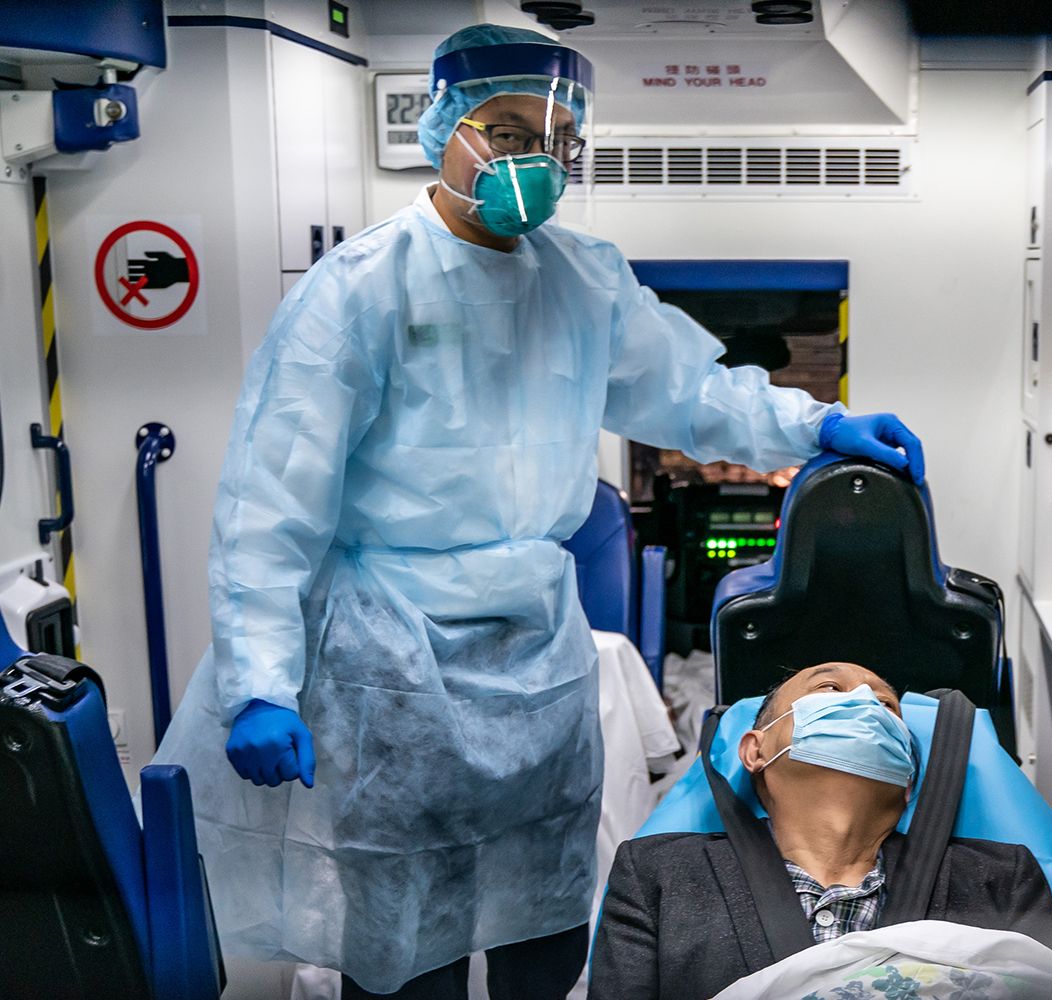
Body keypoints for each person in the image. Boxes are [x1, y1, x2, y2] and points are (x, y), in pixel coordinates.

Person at [149, 23, 925, 1000]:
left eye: (554, 138)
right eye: (506, 129)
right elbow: (272, 497)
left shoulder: (583, 278)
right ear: (444, 126)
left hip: (537, 659)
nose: (534, 159)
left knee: (548, 930)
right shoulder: (359, 289)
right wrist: (263, 677)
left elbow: (692, 390)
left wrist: (819, 427)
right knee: (407, 953)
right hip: (394, 662)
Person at [588, 662, 1052, 1000]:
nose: (866, 702)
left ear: (907, 778)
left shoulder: (1001, 877)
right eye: (829, 690)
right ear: (755, 751)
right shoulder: (658, 874)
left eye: (886, 706)